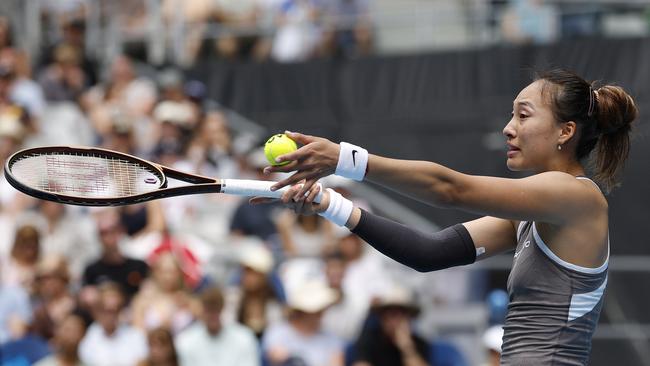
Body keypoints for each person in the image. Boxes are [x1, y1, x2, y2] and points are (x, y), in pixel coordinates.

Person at [257, 69, 638, 365]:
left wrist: (344, 159)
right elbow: (429, 253)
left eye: (523, 116)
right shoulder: (528, 217)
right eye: (511, 115)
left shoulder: (576, 196)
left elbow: (449, 189)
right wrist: (329, 203)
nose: (508, 128)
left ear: (565, 131)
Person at [175, 286, 260, 366]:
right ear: (202, 310)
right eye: (209, 310)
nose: (213, 315)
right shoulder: (185, 341)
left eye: (216, 309)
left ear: (222, 308)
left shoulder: (245, 338)